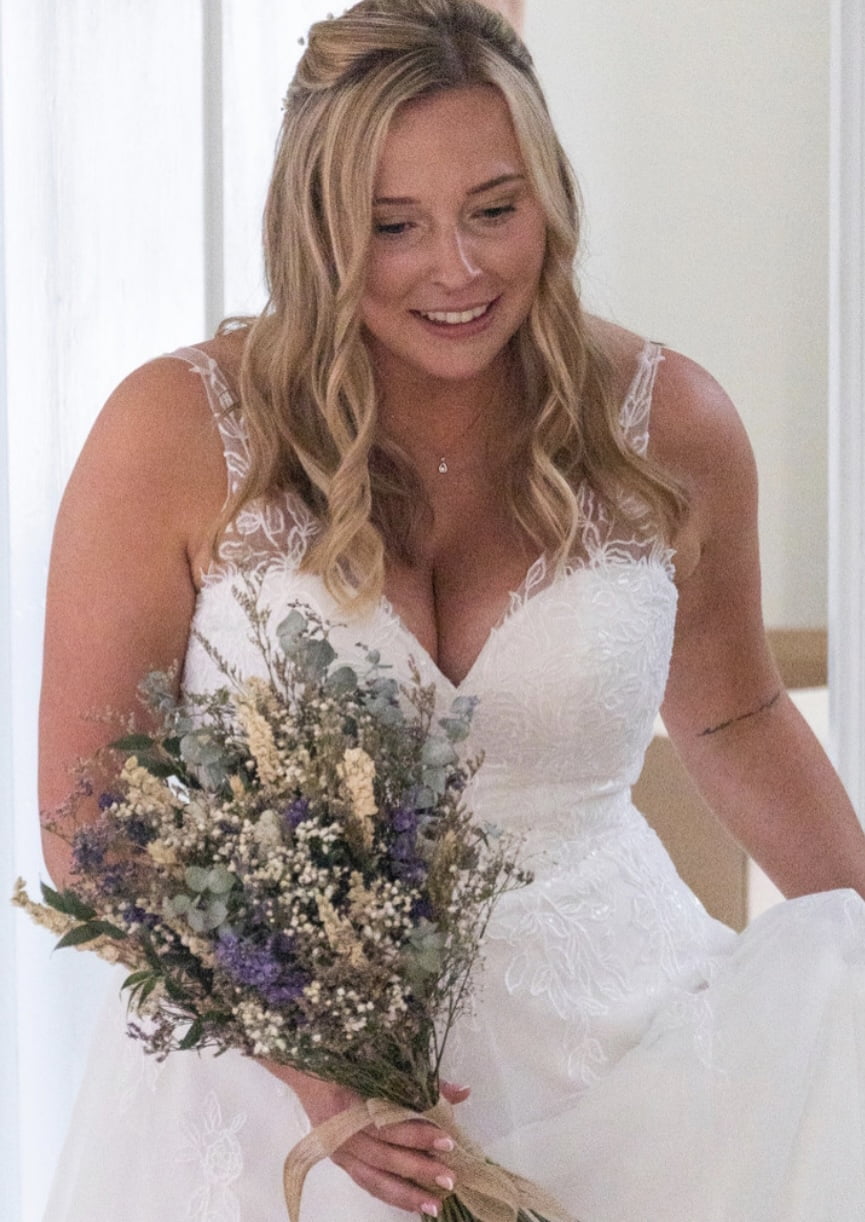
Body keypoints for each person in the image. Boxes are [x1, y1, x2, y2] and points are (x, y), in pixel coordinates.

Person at [38, 1, 865, 1218]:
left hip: (637, 1072)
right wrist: (310, 1061)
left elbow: (736, 715)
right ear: (315, 227)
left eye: (493, 208)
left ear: (551, 198)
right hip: (272, 1102)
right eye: (393, 225)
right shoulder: (172, 433)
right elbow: (90, 816)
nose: (458, 268)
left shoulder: (670, 424)